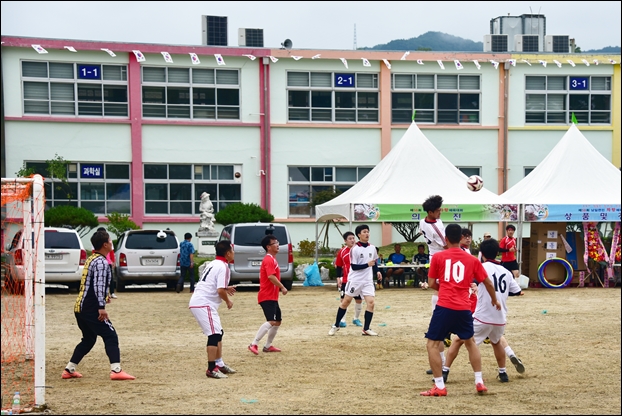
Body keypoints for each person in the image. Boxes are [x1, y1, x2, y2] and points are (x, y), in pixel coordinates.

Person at [420, 223, 500, 397]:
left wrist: (445, 289)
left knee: (432, 344)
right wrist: (495, 300)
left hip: (444, 306)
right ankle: (479, 381)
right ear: (462, 238)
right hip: (463, 307)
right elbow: (487, 283)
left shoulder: (438, 257)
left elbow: (432, 283)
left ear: (446, 239)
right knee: (470, 342)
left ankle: (439, 385)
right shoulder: (472, 259)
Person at [442, 237, 525, 384]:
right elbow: (517, 291)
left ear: (482, 253)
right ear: (497, 252)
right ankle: (503, 373)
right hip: (500, 317)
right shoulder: (506, 272)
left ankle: (444, 371)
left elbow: (469, 281)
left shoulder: (481, 267)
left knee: (458, 340)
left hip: (483, 316)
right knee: (496, 342)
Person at [63, 229, 135, 381]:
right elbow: (99, 285)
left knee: (89, 339)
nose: (111, 243)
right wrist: (101, 306)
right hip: (91, 308)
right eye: (109, 241)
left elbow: (90, 284)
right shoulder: (102, 262)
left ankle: (69, 369)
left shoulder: (92, 258)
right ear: (104, 245)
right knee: (110, 335)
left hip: (80, 307)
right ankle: (116, 370)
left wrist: (104, 296)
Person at [189, 240, 237, 379]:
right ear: (228, 253)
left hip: (201, 302)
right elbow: (219, 290)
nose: (233, 253)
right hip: (204, 303)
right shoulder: (223, 267)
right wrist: (228, 300)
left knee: (219, 333)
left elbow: (211, 283)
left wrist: (226, 288)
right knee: (214, 335)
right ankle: (211, 368)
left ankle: (219, 364)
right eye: (232, 250)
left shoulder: (213, 263)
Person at [329, 224, 382, 336]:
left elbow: (374, 262)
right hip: (355, 280)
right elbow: (354, 267)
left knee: (371, 303)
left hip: (367, 281)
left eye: (368, 231)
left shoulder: (372, 248)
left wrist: (377, 271)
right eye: (364, 232)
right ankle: (336, 325)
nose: (367, 234)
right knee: (345, 302)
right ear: (359, 235)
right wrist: (367, 264)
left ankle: (366, 329)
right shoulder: (355, 249)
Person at [420, 195, 451, 373]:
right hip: (440, 260)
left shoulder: (423, 222)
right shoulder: (436, 227)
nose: (440, 212)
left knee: (440, 291)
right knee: (440, 291)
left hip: (435, 258)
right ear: (431, 212)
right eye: (438, 210)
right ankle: (439, 313)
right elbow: (447, 245)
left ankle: (439, 315)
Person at [248, 234, 288, 355]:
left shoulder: (272, 259)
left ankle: (268, 346)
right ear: (268, 247)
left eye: (277, 242)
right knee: (271, 321)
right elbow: (271, 276)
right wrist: (282, 287)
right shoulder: (269, 259)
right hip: (267, 296)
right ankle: (254, 343)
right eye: (274, 243)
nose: (277, 245)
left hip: (272, 296)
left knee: (278, 321)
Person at [334, 231, 364, 328]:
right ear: (345, 241)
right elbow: (339, 266)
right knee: (344, 300)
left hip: (358, 280)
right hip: (346, 280)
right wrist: (338, 278)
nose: (352, 240)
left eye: (353, 238)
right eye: (350, 239)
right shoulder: (342, 252)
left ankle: (356, 318)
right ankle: (342, 321)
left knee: (359, 300)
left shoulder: (359, 250)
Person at [94, 227, 117, 299]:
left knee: (110, 278)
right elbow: (93, 251)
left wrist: (113, 261)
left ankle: (112, 292)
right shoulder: (95, 240)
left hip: (108, 262)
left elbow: (112, 252)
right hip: (100, 262)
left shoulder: (108, 240)